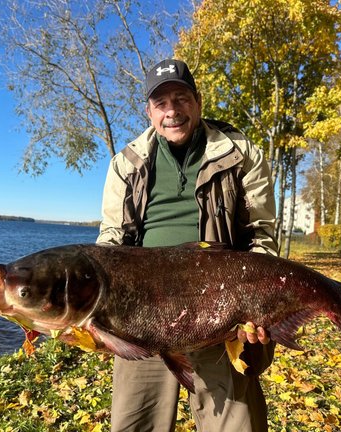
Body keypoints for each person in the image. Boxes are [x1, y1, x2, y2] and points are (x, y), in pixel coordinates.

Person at [97, 58, 278, 432]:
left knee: (239, 427)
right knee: (133, 425)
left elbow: (262, 236)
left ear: (197, 101)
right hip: (141, 321)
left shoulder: (240, 155)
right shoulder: (126, 165)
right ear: (148, 111)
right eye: (161, 103)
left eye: (181, 99)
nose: (172, 111)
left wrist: (256, 308)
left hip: (223, 316)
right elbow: (110, 245)